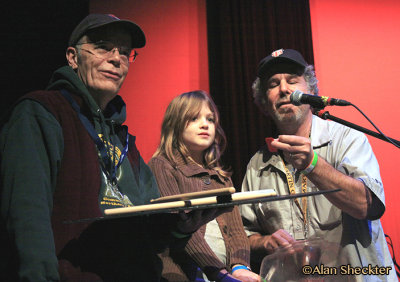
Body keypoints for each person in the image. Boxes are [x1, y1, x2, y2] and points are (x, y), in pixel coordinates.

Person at [0, 14, 231, 281]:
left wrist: (183, 226)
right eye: (102, 46)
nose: (116, 58)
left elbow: (152, 237)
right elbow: (27, 216)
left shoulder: (125, 143)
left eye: (124, 52)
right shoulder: (41, 113)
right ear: (73, 57)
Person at [239, 48, 397, 281]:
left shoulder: (347, 139)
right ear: (264, 101)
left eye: (293, 81)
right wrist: (264, 241)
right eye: (273, 84)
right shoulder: (256, 165)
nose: (284, 89)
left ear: (311, 90)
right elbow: (243, 235)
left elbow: (368, 206)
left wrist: (313, 164)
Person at [148, 91, 261, 282]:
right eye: (193, 118)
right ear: (174, 124)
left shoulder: (221, 177)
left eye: (210, 119)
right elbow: (182, 229)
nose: (204, 125)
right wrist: (218, 272)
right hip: (181, 273)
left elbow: (236, 231)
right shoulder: (162, 165)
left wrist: (240, 266)